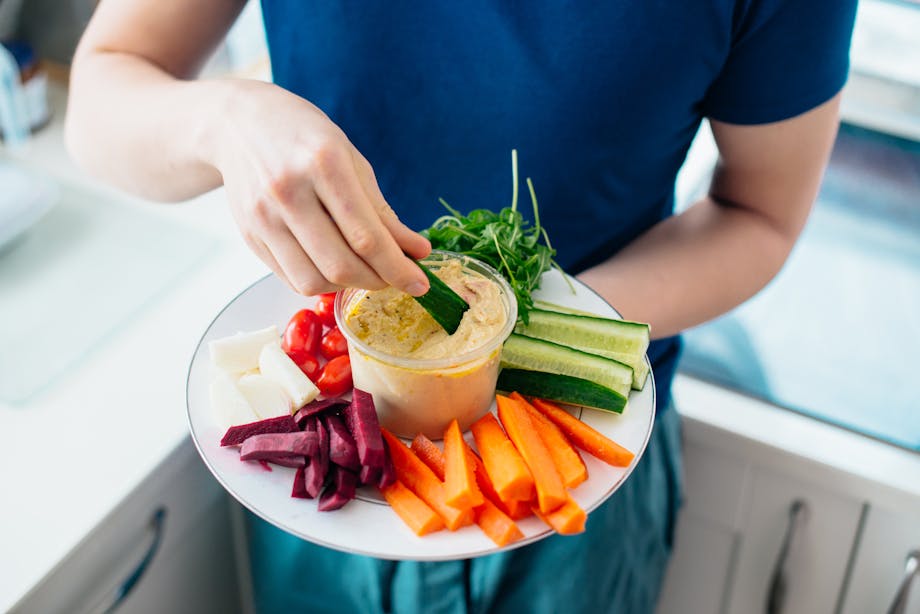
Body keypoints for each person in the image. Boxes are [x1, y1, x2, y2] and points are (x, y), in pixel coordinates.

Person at [65, 2, 857, 612]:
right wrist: (223, 119)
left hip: (571, 473)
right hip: (331, 473)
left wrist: (527, 332)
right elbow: (101, 95)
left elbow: (762, 215)